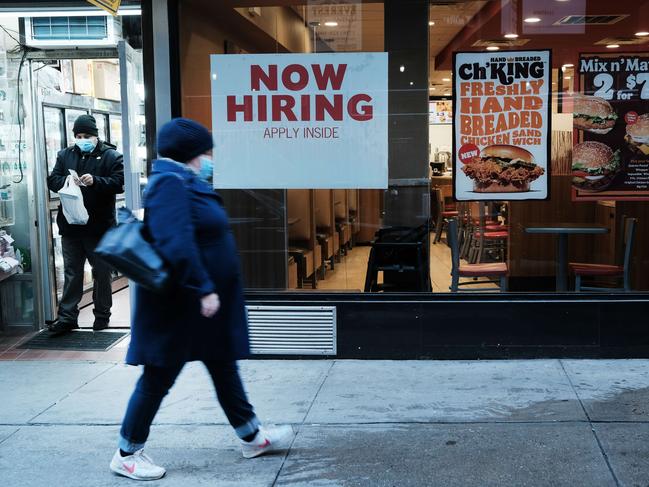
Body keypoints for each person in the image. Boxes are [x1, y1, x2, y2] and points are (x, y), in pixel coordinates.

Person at [109, 118, 293, 481]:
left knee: (223, 364)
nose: (211, 158)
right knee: (158, 376)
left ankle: (251, 437)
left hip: (194, 303)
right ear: (192, 152)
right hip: (182, 304)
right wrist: (204, 288)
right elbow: (177, 242)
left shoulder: (183, 181)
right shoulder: (169, 184)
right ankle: (127, 453)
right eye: (207, 151)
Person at [46, 114, 124, 333]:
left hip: (99, 228)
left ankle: (101, 315)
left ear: (96, 136)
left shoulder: (111, 156)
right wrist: (67, 181)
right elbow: (53, 180)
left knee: (101, 272)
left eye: (87, 135)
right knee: (72, 272)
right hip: (71, 225)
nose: (82, 139)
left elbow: (119, 183)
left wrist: (95, 181)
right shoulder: (65, 155)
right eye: (78, 136)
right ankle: (67, 317)